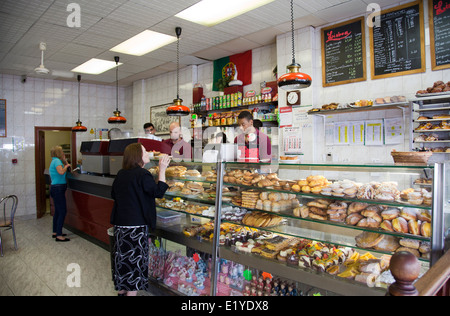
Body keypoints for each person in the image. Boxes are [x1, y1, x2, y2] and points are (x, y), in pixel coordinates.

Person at [110, 143, 171, 296]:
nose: (148, 153)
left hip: (120, 226)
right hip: (136, 227)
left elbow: (114, 194)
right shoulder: (143, 174)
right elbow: (158, 192)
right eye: (145, 151)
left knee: (123, 261)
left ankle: (122, 292)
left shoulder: (121, 173)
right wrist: (162, 170)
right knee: (134, 264)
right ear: (138, 156)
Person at [49, 146, 71, 242]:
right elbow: (61, 172)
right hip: (58, 188)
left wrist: (65, 161)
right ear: (59, 153)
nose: (62, 152)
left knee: (57, 211)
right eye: (61, 151)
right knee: (62, 211)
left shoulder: (54, 161)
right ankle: (59, 235)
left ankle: (55, 231)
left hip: (55, 188)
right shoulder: (57, 161)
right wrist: (66, 166)